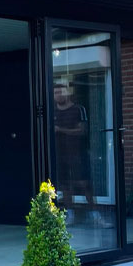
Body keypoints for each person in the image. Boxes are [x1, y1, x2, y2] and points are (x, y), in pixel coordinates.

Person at [53, 81, 94, 225]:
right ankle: (69, 214)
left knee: (84, 183)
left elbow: (82, 130)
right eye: (56, 93)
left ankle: (93, 214)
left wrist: (61, 130)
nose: (58, 95)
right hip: (60, 153)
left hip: (78, 152)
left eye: (61, 92)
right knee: (65, 185)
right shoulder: (52, 112)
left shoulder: (78, 109)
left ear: (67, 93)